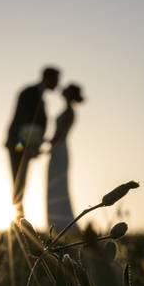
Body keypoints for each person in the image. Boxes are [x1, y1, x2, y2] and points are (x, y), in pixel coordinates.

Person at [5, 66, 60, 218]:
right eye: (56, 80)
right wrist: (25, 146)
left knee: (21, 183)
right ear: (48, 78)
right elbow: (23, 119)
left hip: (25, 146)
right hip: (18, 145)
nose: (57, 84)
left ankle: (19, 221)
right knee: (18, 182)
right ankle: (18, 222)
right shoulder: (29, 92)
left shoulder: (40, 96)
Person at [47, 84, 83, 233]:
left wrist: (47, 142)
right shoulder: (68, 111)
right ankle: (56, 224)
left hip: (60, 149)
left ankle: (63, 225)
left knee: (59, 186)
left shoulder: (70, 112)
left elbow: (60, 134)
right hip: (57, 149)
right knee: (55, 185)